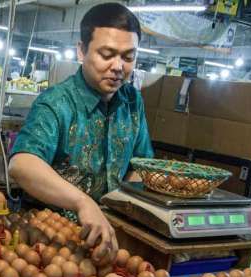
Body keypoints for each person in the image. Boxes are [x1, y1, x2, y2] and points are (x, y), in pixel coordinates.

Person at [9, 2, 153, 261]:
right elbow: (22, 164)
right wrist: (82, 202)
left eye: (128, 57)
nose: (118, 66)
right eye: (107, 54)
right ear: (81, 51)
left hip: (107, 236)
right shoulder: (56, 103)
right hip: (50, 240)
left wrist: (124, 208)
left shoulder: (132, 102)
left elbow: (140, 165)